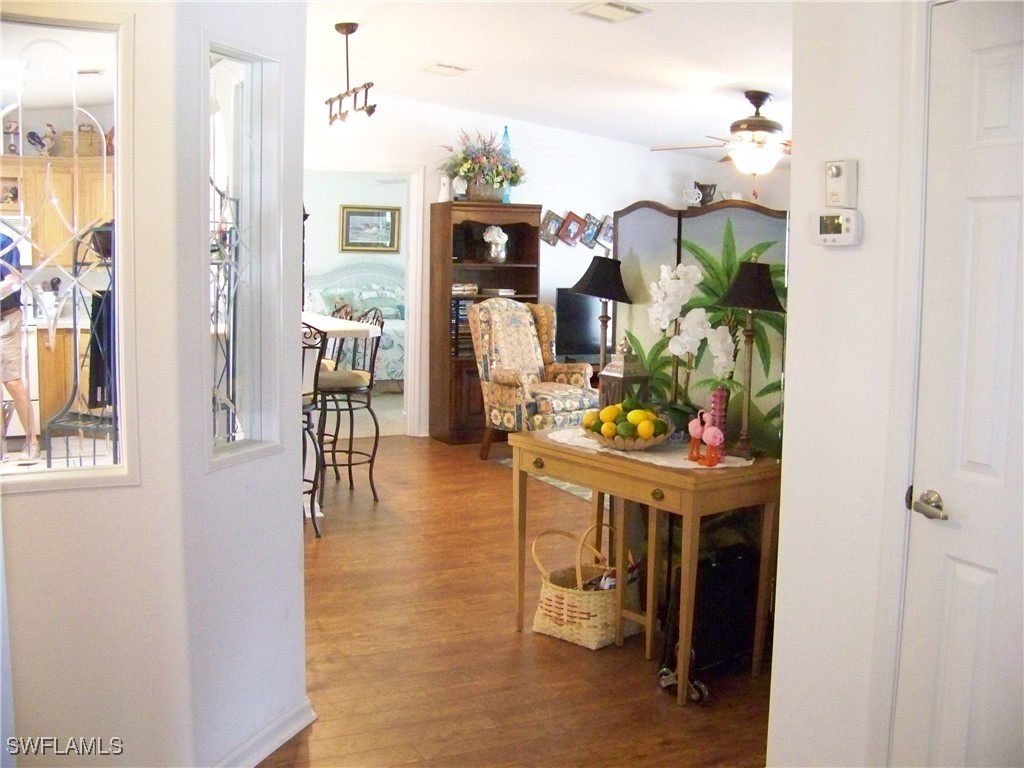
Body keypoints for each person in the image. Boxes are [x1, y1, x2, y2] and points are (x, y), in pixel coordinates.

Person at [0, 231, 39, 460]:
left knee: (12, 382)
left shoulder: (4, 243)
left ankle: (31, 441)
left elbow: (14, 279)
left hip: (6, 319)